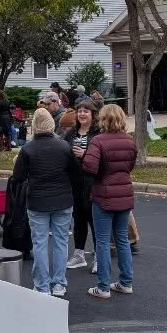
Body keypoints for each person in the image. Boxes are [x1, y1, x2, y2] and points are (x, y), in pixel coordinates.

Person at [12, 108, 80, 297]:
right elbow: (76, 173)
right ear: (51, 124)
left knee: (40, 243)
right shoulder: (64, 147)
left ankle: (42, 285)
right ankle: (59, 283)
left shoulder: (28, 149)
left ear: (34, 126)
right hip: (62, 199)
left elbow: (18, 177)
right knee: (61, 242)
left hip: (37, 200)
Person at [81, 104, 137, 300]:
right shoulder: (129, 141)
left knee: (103, 241)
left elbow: (90, 167)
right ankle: (126, 282)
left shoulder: (98, 141)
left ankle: (103, 286)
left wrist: (84, 157)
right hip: (124, 192)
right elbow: (130, 165)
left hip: (103, 194)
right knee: (122, 238)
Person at [62, 99, 101, 270]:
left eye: (86, 111)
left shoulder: (98, 133)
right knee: (78, 219)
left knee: (94, 219)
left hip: (92, 182)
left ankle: (99, 256)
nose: (82, 114)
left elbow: (101, 157)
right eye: (79, 111)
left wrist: (85, 154)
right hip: (75, 182)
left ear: (93, 114)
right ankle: (79, 254)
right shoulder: (71, 133)